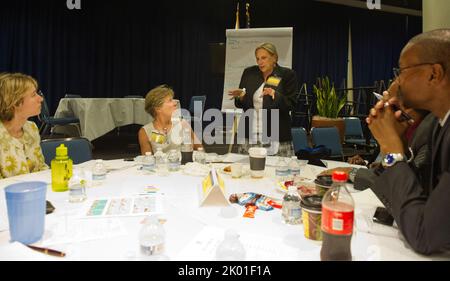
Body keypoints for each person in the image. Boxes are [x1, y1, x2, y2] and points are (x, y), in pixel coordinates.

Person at [366, 29, 450, 255]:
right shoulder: (437, 124)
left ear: (434, 73)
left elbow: (424, 235)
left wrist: (391, 151)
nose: (398, 81)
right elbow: (421, 202)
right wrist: (400, 144)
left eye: (402, 71)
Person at [228, 43, 298, 157]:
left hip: (276, 135)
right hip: (250, 134)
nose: (260, 62)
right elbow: (240, 104)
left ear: (274, 57)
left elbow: (292, 104)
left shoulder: (287, 75)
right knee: (248, 171)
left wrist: (276, 95)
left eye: (264, 58)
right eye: (258, 58)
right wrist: (241, 97)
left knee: (278, 173)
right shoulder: (249, 73)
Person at [0, 72, 48, 179]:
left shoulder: (31, 128)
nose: (40, 99)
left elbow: (40, 168)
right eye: (33, 95)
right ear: (14, 102)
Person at [138, 85, 202, 155]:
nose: (175, 103)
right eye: (170, 100)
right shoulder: (145, 132)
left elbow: (200, 150)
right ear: (158, 108)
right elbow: (147, 161)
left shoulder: (182, 124)